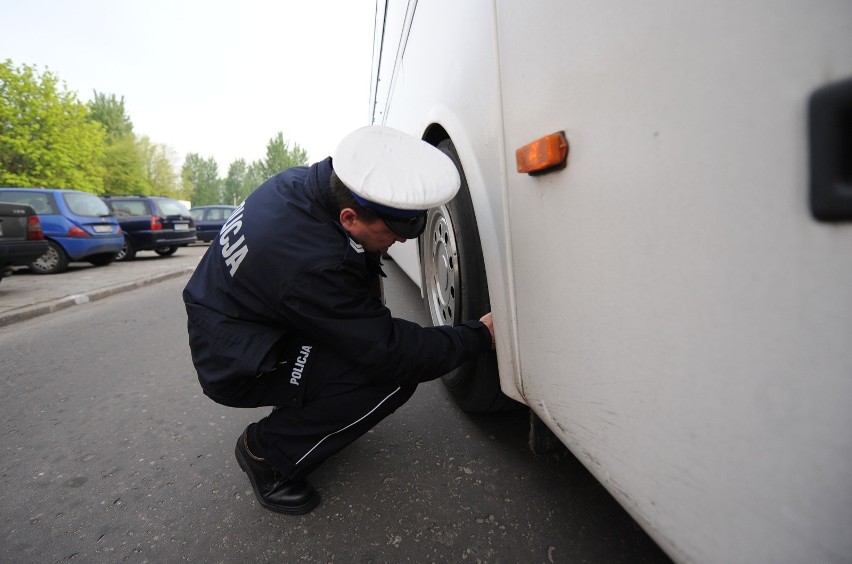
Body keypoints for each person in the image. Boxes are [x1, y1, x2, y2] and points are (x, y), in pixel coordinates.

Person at [182, 125, 495, 515]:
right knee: (390, 378)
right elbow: (390, 352)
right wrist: (479, 334)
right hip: (237, 364)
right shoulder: (313, 264)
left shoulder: (303, 185)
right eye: (398, 229)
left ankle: (301, 406)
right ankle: (267, 453)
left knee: (357, 342)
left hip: (245, 325)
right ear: (349, 217)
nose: (403, 240)